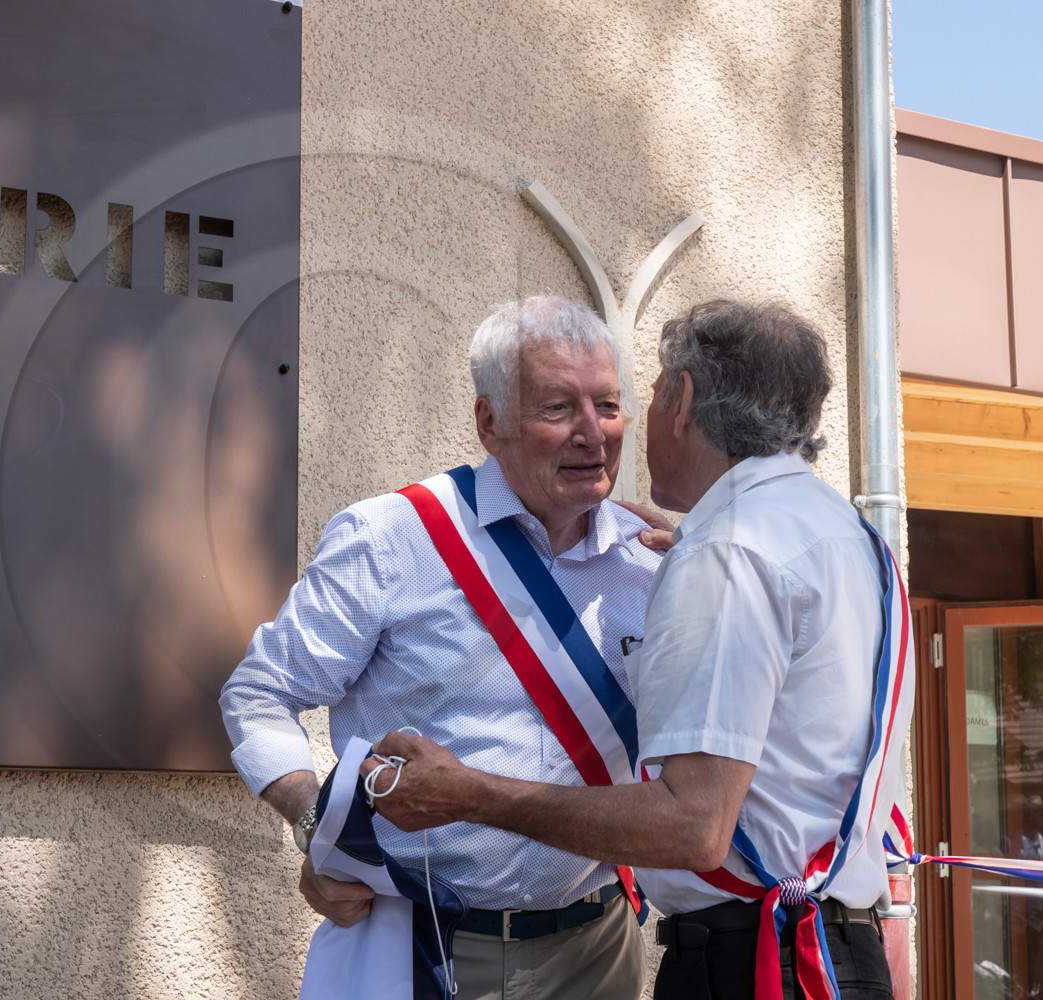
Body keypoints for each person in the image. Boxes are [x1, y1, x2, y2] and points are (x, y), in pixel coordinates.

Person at [366, 299, 912, 999]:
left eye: (635, 397)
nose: (606, 432)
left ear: (680, 400)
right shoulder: (851, 535)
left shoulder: (732, 551)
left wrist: (471, 794)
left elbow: (693, 826)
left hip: (754, 964)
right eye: (562, 406)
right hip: (834, 949)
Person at [219, 295, 669, 999]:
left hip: (599, 949)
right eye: (558, 409)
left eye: (608, 405)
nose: (594, 434)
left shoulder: (656, 563)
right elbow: (258, 695)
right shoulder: (392, 537)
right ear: (490, 423)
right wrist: (317, 825)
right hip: (421, 948)